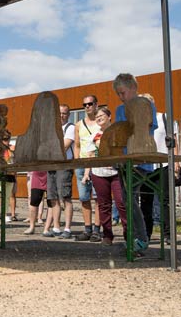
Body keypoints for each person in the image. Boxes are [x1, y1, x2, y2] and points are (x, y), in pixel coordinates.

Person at [112, 73, 156, 255]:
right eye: (118, 94)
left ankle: (141, 237)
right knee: (126, 199)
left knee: (130, 197)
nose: (121, 97)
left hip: (141, 159)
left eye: (123, 93)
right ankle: (134, 238)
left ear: (133, 88)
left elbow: (148, 128)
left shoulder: (146, 105)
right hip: (125, 160)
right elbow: (118, 132)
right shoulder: (119, 110)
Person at [138, 93, 181, 244]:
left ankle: (168, 234)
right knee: (146, 200)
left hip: (164, 163)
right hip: (146, 165)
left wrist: (175, 161)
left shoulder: (164, 118)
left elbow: (173, 140)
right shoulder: (139, 121)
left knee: (165, 200)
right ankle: (146, 234)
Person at [83, 108, 127, 245]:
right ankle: (107, 236)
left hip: (116, 173)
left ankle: (129, 235)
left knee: (121, 203)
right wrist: (86, 173)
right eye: (97, 117)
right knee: (103, 205)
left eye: (101, 115)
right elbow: (90, 156)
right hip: (99, 173)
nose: (99, 118)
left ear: (109, 116)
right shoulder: (94, 135)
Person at [43, 104, 75, 239]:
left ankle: (67, 228)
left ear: (68, 115)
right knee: (53, 197)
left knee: (65, 197)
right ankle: (56, 227)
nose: (61, 116)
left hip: (63, 165)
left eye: (64, 113)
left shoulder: (70, 128)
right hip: (51, 165)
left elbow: (64, 146)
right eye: (59, 113)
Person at [73, 94, 102, 242]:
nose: (87, 107)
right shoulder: (78, 124)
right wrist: (77, 162)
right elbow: (77, 145)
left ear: (96, 104)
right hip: (82, 164)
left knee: (98, 198)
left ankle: (97, 230)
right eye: (84, 105)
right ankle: (87, 229)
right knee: (84, 198)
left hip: (97, 164)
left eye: (90, 104)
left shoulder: (101, 122)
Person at [25, 170, 47, 235]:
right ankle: (31, 227)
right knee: (34, 201)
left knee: (51, 202)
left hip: (50, 174)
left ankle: (47, 228)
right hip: (37, 175)